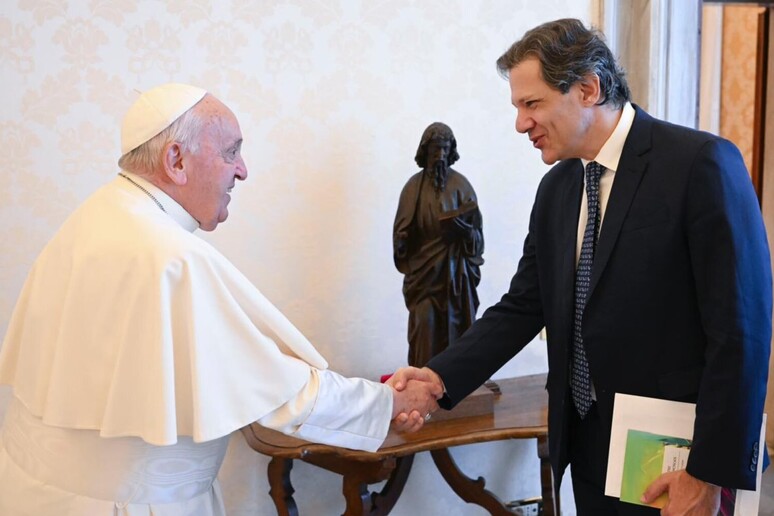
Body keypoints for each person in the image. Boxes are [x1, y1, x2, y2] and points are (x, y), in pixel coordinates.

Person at [389, 18, 772, 515]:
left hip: (680, 459)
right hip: (588, 448)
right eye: (518, 107)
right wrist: (438, 380)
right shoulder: (558, 188)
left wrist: (707, 471)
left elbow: (742, 330)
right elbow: (524, 306)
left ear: (588, 89)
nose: (521, 123)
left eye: (532, 104)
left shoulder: (699, 165)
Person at [0, 83, 439, 515]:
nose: (243, 170)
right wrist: (390, 403)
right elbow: (277, 392)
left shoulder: (102, 213)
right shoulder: (167, 255)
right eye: (231, 152)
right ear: (175, 160)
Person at [393, 122, 484, 367]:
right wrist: (401, 243)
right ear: (425, 151)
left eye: (444, 149)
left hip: (456, 276)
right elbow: (401, 232)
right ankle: (422, 384)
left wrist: (465, 233)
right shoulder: (413, 188)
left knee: (458, 328)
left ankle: (458, 383)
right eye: (435, 149)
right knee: (425, 324)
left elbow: (477, 239)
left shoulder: (462, 186)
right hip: (424, 276)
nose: (440, 155)